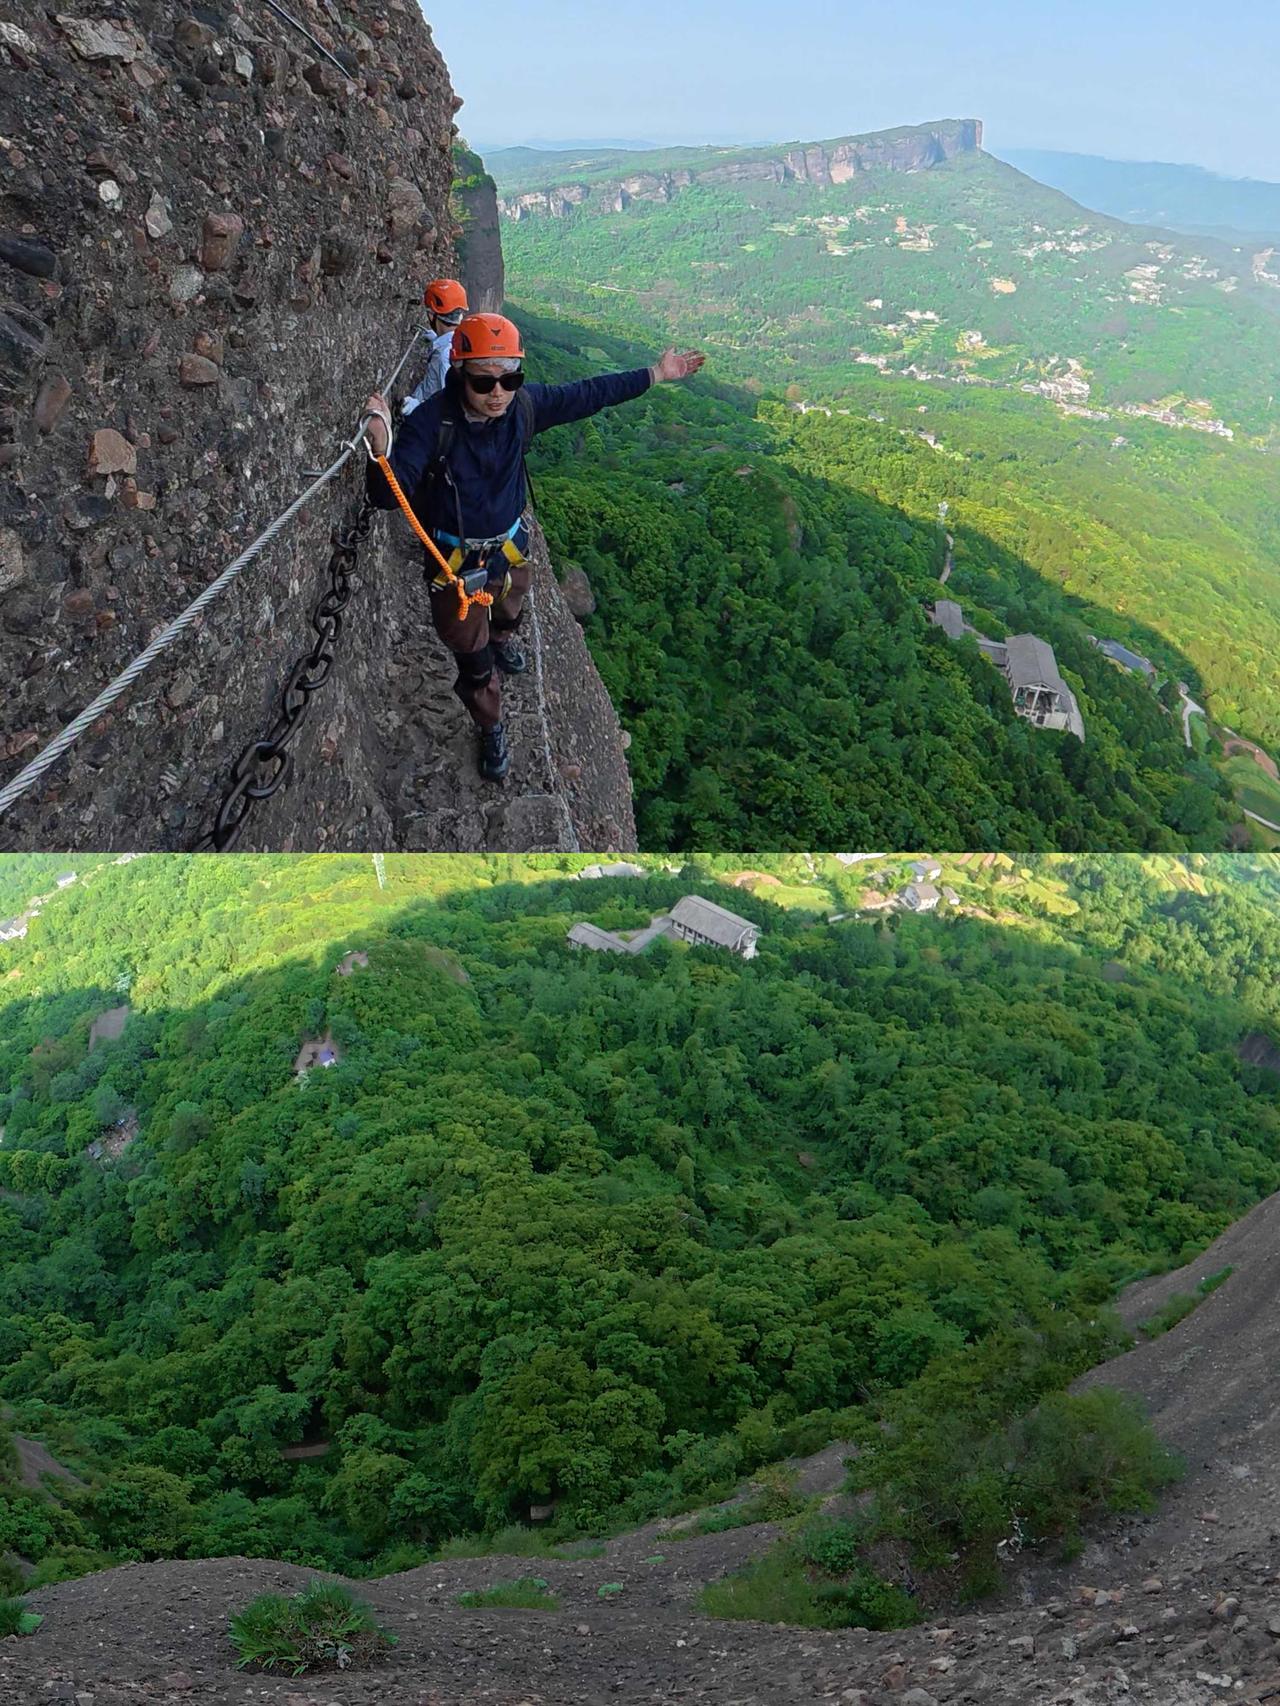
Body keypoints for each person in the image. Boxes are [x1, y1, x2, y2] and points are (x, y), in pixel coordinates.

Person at [362, 312, 705, 781]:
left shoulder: (523, 407)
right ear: (460, 372)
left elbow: (589, 394)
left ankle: (502, 641)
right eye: (484, 382)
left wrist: (655, 374)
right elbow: (388, 496)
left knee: (511, 610)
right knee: (475, 665)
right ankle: (491, 725)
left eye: (510, 379)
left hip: (509, 550)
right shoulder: (430, 424)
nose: (498, 393)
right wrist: (381, 451)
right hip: (455, 567)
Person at [400, 278, 468, 417]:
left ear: (431, 315)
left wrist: (418, 406)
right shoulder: (460, 342)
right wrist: (437, 338)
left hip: (424, 416)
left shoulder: (445, 357)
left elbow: (450, 405)